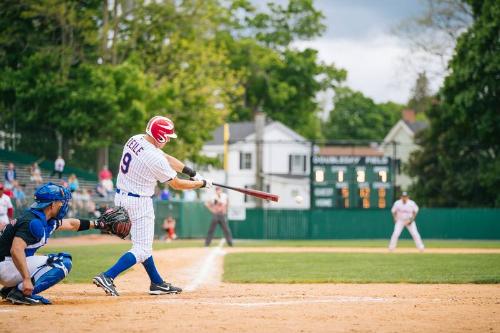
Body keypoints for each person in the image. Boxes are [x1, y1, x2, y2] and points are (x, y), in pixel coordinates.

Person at [92, 116, 212, 296]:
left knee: (143, 244)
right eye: (168, 137)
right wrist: (201, 184)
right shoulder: (153, 157)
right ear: (161, 136)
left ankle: (157, 282)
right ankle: (108, 276)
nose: (169, 140)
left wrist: (193, 174)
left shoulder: (137, 139)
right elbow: (177, 184)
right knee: (142, 249)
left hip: (123, 197)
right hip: (139, 202)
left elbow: (167, 158)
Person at [0, 182, 112, 305]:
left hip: (7, 265)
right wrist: (26, 279)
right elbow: (16, 250)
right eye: (61, 202)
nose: (63, 204)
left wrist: (98, 224)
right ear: (52, 204)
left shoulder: (43, 218)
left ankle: (10, 290)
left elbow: (71, 224)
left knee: (53, 259)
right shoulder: (34, 223)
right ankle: (20, 293)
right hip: (6, 266)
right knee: (61, 263)